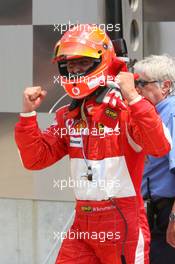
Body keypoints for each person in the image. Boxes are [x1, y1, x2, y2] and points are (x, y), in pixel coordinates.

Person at [15, 25, 171, 264]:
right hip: (83, 222)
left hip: (123, 224)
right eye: (70, 64)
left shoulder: (127, 108)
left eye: (83, 62)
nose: (75, 69)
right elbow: (35, 159)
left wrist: (134, 97)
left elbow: (160, 147)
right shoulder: (70, 115)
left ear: (102, 60)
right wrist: (27, 116)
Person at [134, 54, 175, 264]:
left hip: (166, 212)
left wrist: (174, 219)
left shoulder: (172, 114)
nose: (136, 89)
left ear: (165, 86)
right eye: (133, 83)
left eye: (141, 83)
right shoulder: (151, 114)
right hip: (151, 212)